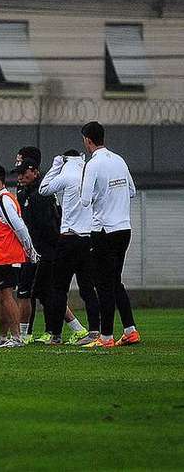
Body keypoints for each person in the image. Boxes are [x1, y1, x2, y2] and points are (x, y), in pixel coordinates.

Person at [12, 158, 90, 344]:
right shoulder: (25, 192)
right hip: (38, 251)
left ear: (35, 171)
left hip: (47, 252)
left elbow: (50, 224)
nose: (21, 176)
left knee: (40, 291)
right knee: (44, 292)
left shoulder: (42, 193)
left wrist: (49, 249)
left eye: (24, 172)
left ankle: (47, 332)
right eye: (19, 173)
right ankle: (72, 329)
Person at [79, 121, 140, 348]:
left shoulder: (93, 164)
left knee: (103, 284)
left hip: (103, 231)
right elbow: (132, 191)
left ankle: (105, 338)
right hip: (124, 229)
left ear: (87, 140)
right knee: (115, 282)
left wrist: (98, 195)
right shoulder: (119, 160)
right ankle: (130, 330)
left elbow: (85, 200)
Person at [39, 149, 101, 345]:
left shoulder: (66, 173)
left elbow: (44, 189)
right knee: (88, 288)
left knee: (59, 289)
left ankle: (56, 335)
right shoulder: (89, 173)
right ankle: (94, 331)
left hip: (67, 239)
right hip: (88, 238)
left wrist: (56, 165)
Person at [0, 163, 39, 348]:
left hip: (8, 257)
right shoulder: (0, 200)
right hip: (0, 257)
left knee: (6, 296)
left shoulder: (4, 200)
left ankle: (17, 337)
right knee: (1, 297)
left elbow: (19, 226)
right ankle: (3, 336)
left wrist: (30, 251)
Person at [13, 146, 42, 339]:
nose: (16, 165)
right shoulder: (22, 188)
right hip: (26, 248)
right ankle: (74, 328)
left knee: (31, 292)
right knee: (36, 292)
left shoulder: (42, 191)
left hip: (37, 249)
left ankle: (26, 333)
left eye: (19, 161)